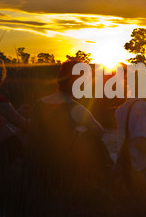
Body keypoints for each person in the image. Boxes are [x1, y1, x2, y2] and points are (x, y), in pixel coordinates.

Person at [28, 60, 111, 188]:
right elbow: (99, 132)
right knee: (94, 142)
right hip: (60, 168)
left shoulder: (39, 103)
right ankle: (105, 181)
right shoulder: (76, 108)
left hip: (36, 165)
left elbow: (31, 130)